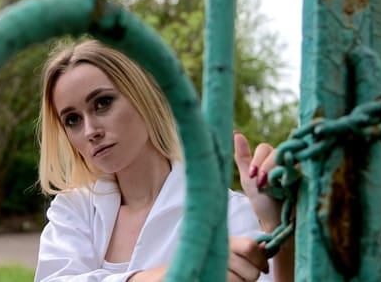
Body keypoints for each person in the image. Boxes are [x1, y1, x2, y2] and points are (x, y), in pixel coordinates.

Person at [34, 39, 294, 282]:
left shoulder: (226, 212)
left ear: (142, 96)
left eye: (102, 103)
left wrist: (276, 227)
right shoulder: (73, 210)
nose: (90, 131)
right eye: (72, 120)